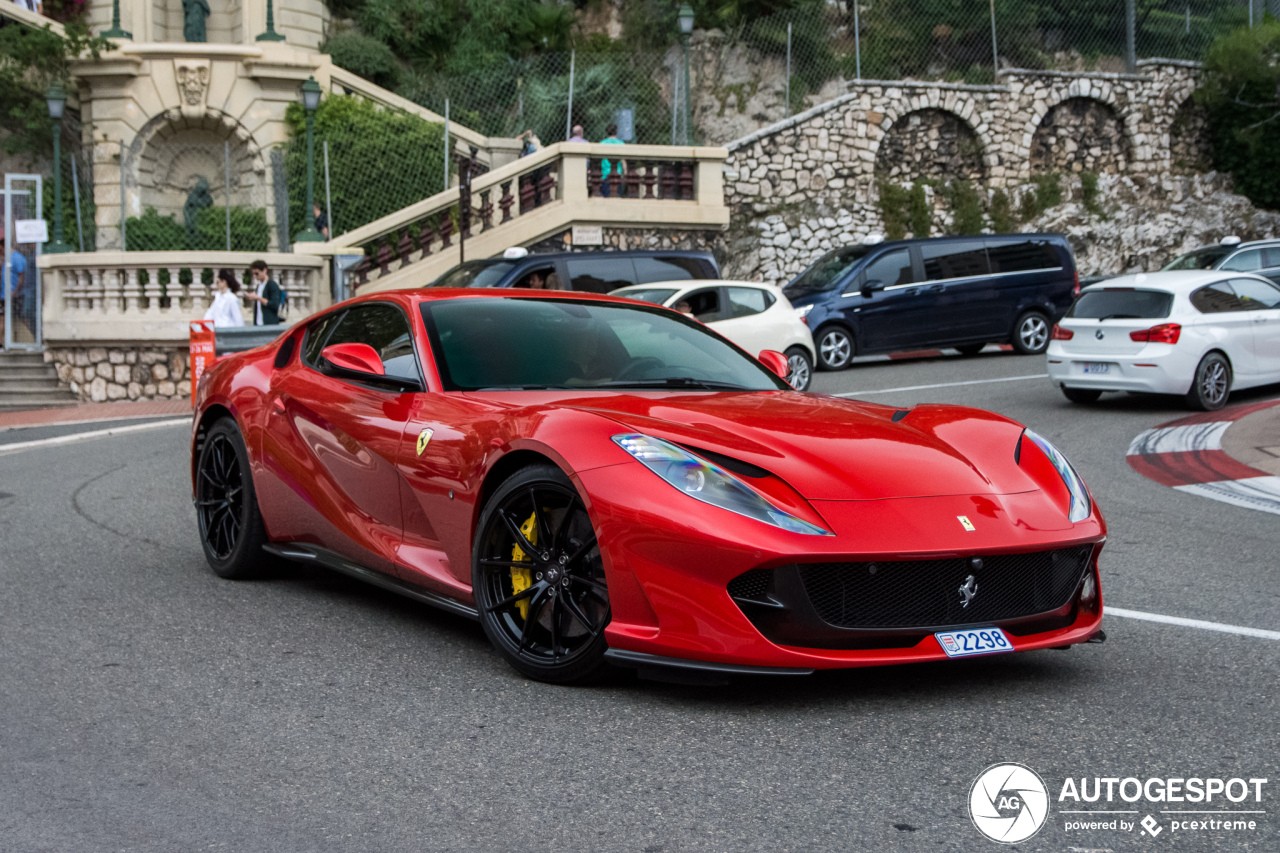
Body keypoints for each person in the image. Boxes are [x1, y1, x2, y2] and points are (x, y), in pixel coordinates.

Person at [1, 231, 26, 344]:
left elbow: (21, 278)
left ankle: (15, 342)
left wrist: (14, 293)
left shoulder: (17, 258)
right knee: (3, 319)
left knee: (14, 320)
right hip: (3, 296)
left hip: (14, 296)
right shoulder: (5, 259)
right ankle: (7, 343)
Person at [244, 259, 283, 325]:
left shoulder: (271, 285)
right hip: (259, 323)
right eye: (253, 274)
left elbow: (275, 304)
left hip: (269, 323)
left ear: (264, 271)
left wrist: (257, 298)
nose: (254, 276)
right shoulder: (259, 286)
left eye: (257, 273)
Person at [600, 123, 625, 197]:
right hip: (617, 175)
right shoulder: (621, 144)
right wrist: (625, 175)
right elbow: (623, 162)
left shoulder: (602, 144)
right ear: (616, 132)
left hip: (604, 175)